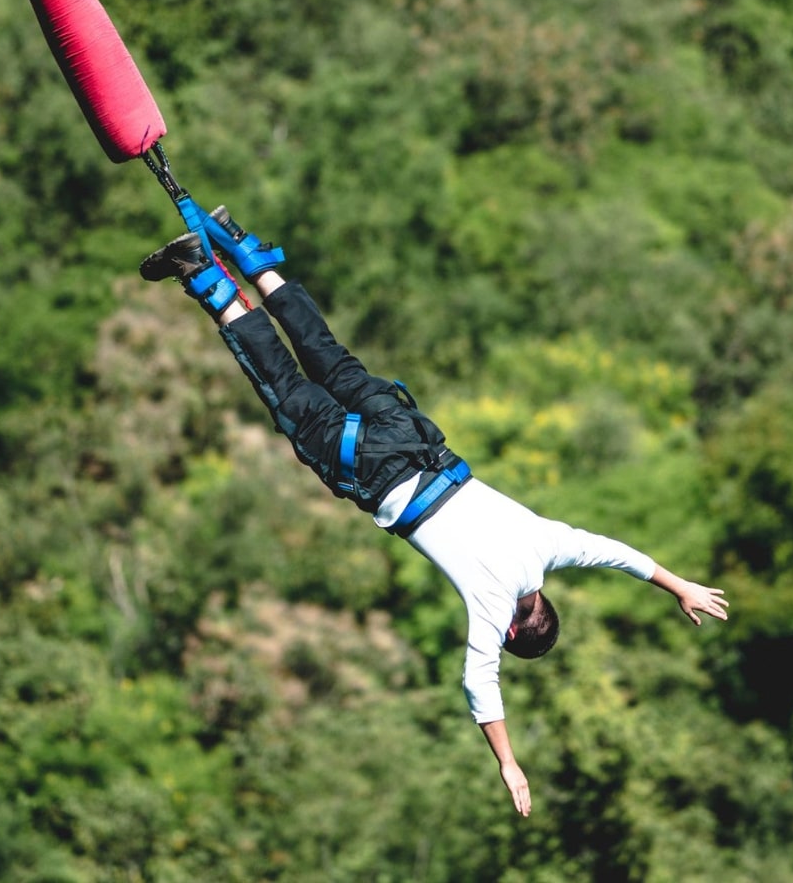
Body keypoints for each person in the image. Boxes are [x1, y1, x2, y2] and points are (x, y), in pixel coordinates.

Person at [140, 206, 730, 817]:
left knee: (328, 354)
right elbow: (481, 686)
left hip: (416, 436)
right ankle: (201, 271)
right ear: (512, 633)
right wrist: (507, 761)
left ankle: (239, 245)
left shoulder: (549, 544)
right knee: (286, 388)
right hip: (371, 468)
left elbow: (617, 553)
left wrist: (678, 585)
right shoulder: (492, 607)